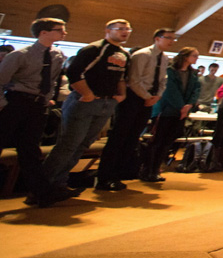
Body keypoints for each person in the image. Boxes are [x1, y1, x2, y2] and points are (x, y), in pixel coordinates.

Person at [42, 20, 132, 190]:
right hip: (84, 103)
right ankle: (43, 186)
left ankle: (60, 183)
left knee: (82, 145)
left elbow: (121, 77)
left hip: (106, 104)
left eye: (127, 29)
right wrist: (87, 93)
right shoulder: (94, 49)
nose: (125, 32)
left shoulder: (124, 54)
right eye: (120, 29)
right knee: (69, 145)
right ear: (108, 30)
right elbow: (74, 72)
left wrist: (121, 95)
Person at [0, 18, 78, 207]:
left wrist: (45, 100)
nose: (64, 33)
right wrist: (3, 105)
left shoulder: (57, 54)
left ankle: (42, 193)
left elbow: (51, 82)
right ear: (43, 32)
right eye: (60, 30)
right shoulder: (20, 55)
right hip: (15, 102)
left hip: (36, 107)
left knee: (30, 151)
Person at [97, 28, 174, 190]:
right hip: (133, 99)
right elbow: (133, 79)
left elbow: (162, 80)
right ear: (157, 38)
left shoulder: (165, 58)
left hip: (149, 100)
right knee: (119, 138)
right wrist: (146, 97)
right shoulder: (142, 55)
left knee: (132, 139)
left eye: (174, 39)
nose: (171, 41)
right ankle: (104, 177)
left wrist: (157, 96)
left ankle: (118, 175)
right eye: (168, 38)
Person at [141, 47, 201, 182]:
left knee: (168, 141)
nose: (196, 58)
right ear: (186, 57)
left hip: (181, 113)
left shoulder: (193, 73)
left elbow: (196, 90)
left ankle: (156, 169)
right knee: (157, 141)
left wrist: (189, 105)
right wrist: (182, 107)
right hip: (166, 111)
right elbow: (169, 91)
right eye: (194, 55)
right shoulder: (170, 71)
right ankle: (147, 170)